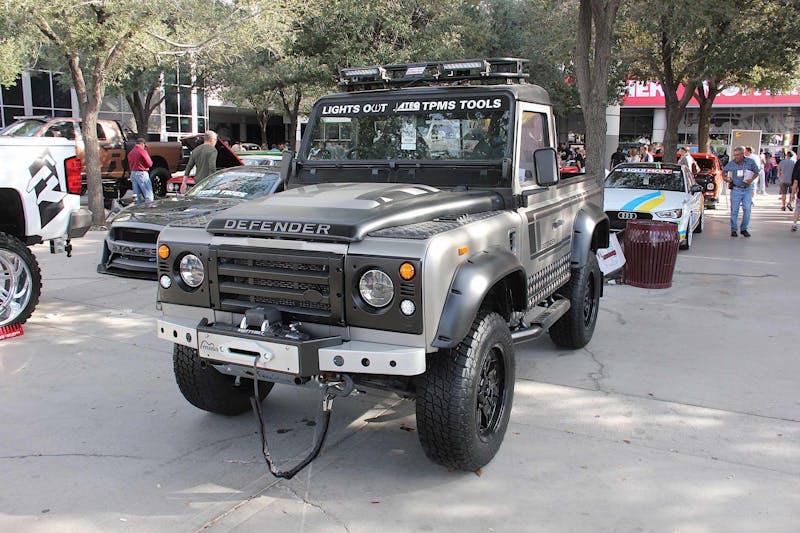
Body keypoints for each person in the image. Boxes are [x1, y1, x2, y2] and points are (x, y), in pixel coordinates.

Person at [723, 146, 760, 237]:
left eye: (738, 155)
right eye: (734, 155)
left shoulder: (750, 162)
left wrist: (751, 179)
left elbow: (757, 171)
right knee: (734, 210)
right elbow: (724, 171)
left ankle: (744, 229)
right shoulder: (732, 163)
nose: (736, 157)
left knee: (747, 209)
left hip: (747, 189)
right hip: (736, 189)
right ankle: (734, 230)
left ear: (742, 154)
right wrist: (726, 178)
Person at [127, 138, 153, 204]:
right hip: (141, 173)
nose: (144, 147)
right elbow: (149, 163)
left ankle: (137, 210)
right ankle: (149, 209)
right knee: (148, 194)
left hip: (133, 173)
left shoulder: (131, 152)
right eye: (144, 145)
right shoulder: (142, 151)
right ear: (142, 144)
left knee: (136, 195)